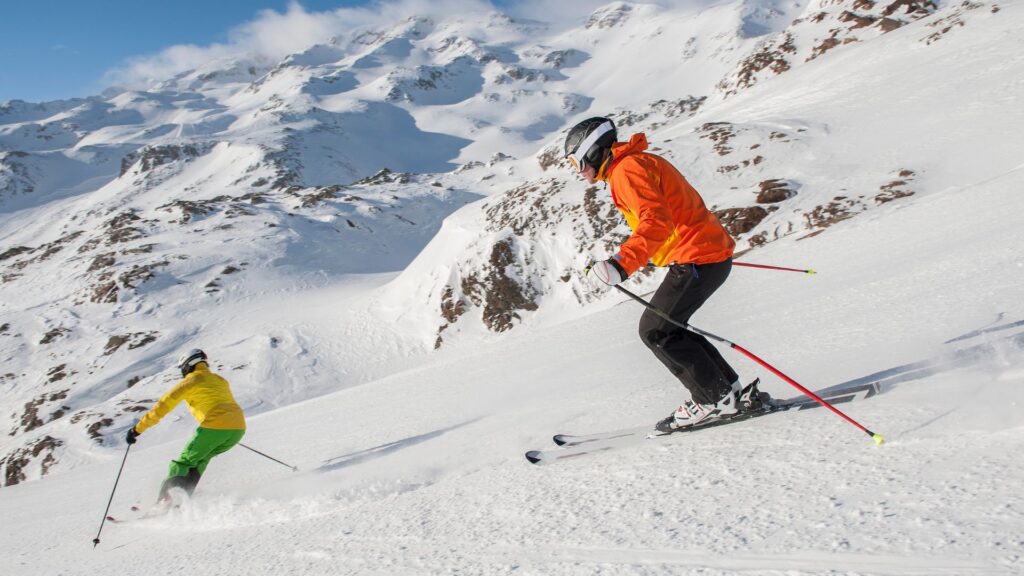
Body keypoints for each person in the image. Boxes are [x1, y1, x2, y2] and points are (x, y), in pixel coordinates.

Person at [564, 116, 763, 432]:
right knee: (671, 327)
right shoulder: (633, 164)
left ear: (593, 151)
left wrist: (620, 264)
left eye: (577, 162)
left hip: (697, 258)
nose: (579, 171)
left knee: (655, 331)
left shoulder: (627, 170)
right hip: (704, 255)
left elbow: (656, 222)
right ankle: (726, 392)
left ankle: (712, 398)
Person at [125, 348, 246, 504]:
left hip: (215, 426)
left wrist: (137, 430)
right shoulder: (220, 380)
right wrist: (225, 430)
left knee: (183, 462)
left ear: (188, 365)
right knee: (201, 459)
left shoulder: (190, 382)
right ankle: (184, 498)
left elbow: (161, 407)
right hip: (237, 428)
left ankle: (165, 503)